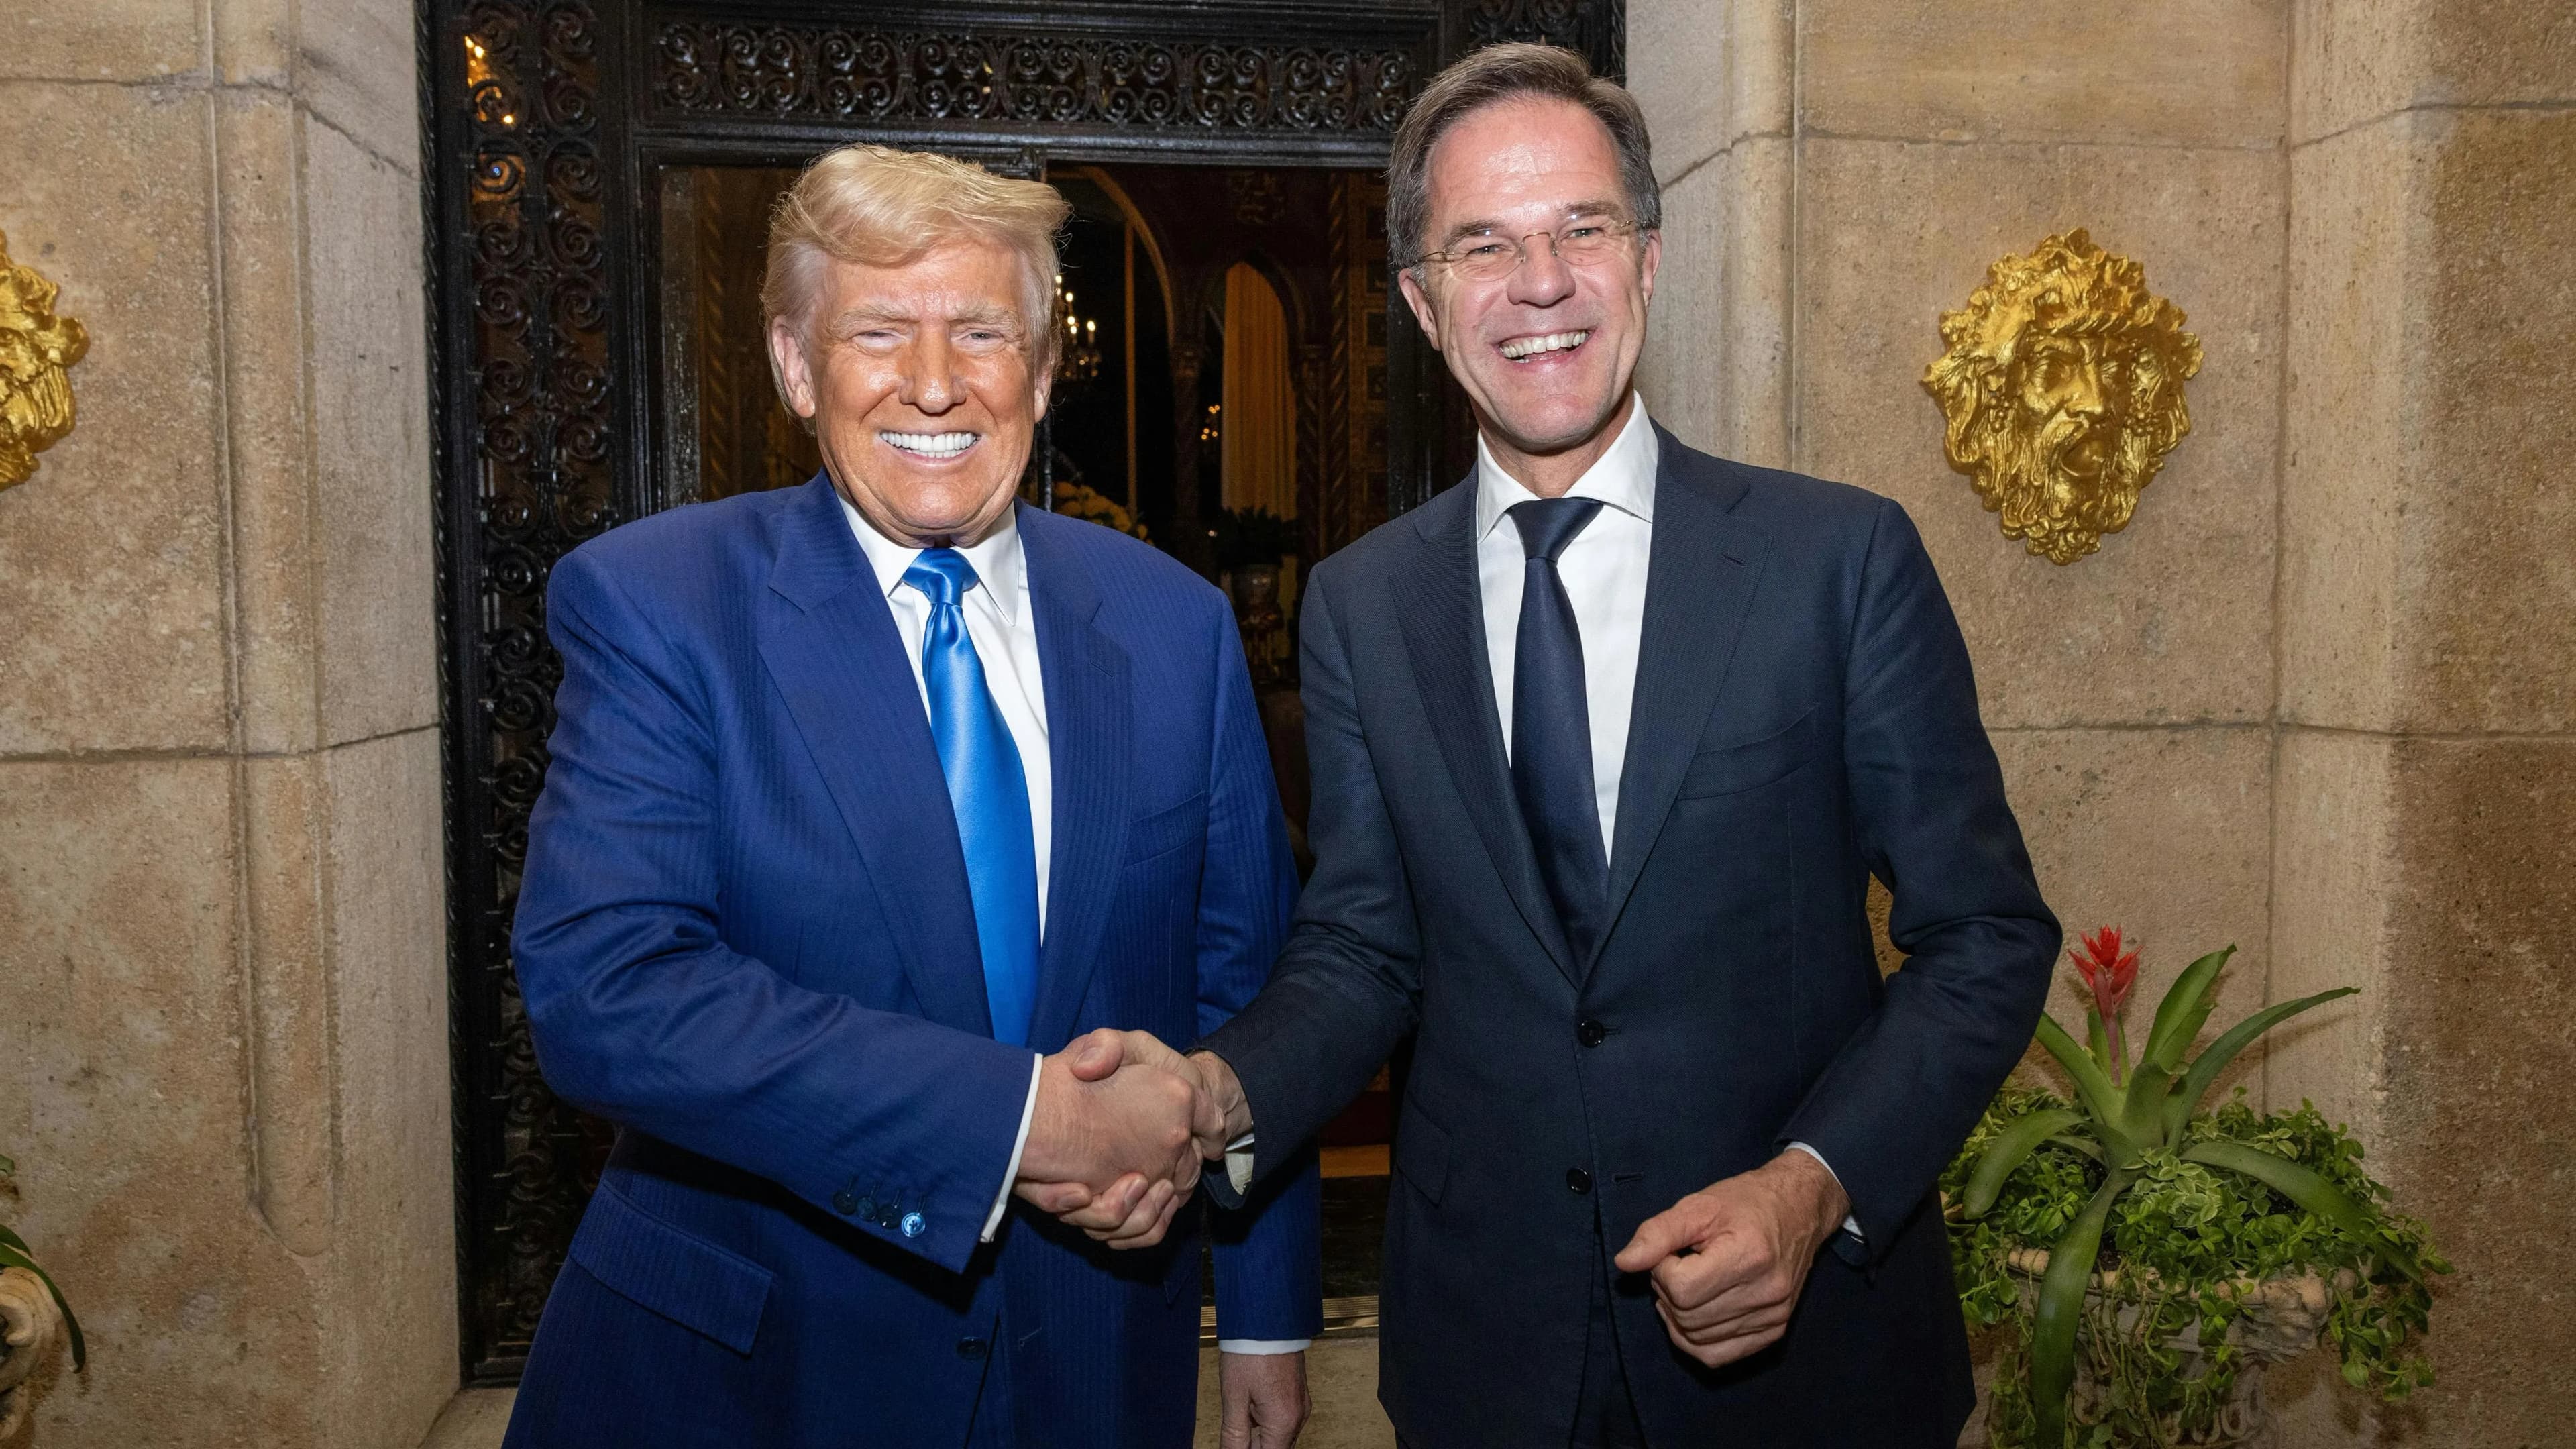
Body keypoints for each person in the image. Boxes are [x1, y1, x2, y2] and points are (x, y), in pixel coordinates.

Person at [1081, 42, 2059, 1448]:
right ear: (1424, 303)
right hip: (1488, 1349)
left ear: (1647, 261)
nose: (1540, 283)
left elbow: (1986, 937)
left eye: (1581, 229)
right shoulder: (1362, 605)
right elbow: (1363, 947)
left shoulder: (1835, 563)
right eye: (1483, 245)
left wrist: (1811, 1184)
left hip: (1805, 1362)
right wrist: (1213, 1092)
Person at [501, 144, 1318, 1449]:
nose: (934, 383)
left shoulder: (1176, 625)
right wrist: (1025, 1124)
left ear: (1041, 371)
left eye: (982, 332)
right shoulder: (660, 605)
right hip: (762, 1375)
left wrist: (1267, 1316)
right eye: (878, 331)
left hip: (1096, 1358)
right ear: (795, 366)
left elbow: (1247, 994)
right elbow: (608, 990)